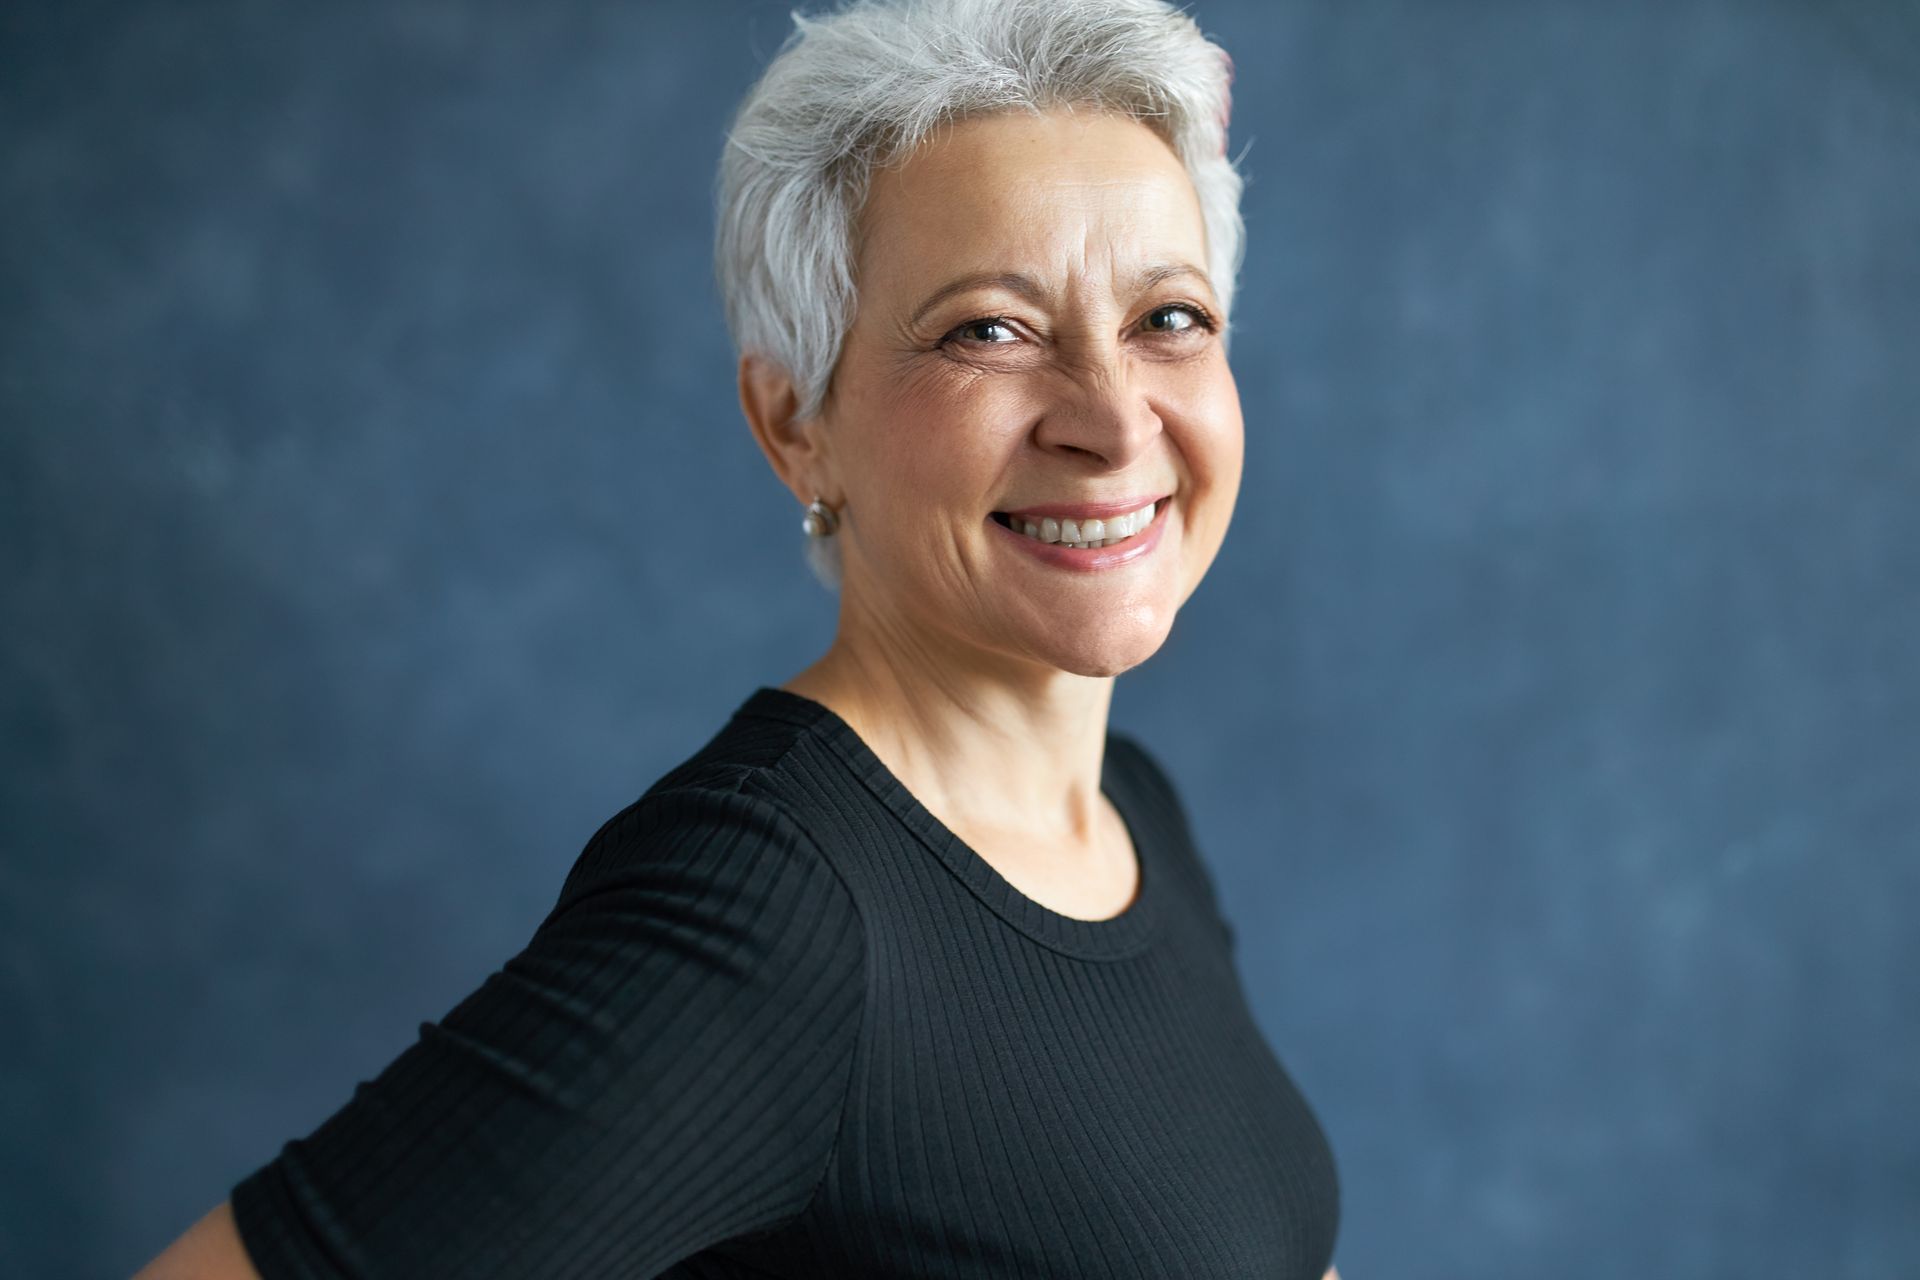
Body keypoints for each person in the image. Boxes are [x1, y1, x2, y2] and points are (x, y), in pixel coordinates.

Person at [134, 0, 1341, 1275]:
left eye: (1170, 318)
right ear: (795, 423)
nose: (1111, 418)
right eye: (990, 328)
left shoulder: (1127, 810)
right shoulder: (775, 912)